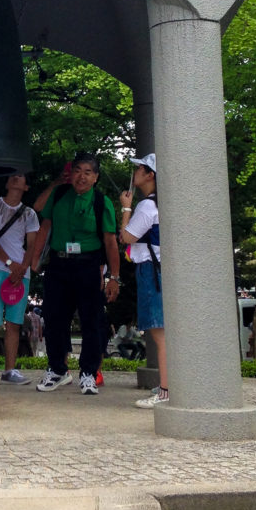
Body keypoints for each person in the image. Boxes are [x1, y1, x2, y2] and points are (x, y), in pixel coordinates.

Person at [30, 153, 120, 396]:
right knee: (55, 318)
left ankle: (89, 373)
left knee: (91, 321)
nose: (82, 176)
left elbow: (111, 242)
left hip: (89, 266)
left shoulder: (102, 202)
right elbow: (44, 227)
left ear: (96, 177)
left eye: (88, 172)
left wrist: (114, 276)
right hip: (59, 264)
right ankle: (58, 370)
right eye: (78, 170)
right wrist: (34, 259)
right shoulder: (59, 195)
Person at [0, 173, 39, 384]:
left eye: (20, 176)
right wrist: (9, 263)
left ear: (26, 187)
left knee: (14, 323)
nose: (15, 178)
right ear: (6, 182)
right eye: (12, 176)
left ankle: (10, 370)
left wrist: (23, 267)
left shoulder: (30, 214)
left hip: (21, 272)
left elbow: (32, 244)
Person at [119, 154, 166, 407]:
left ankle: (166, 391)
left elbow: (126, 238)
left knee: (159, 333)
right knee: (164, 332)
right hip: (159, 268)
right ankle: (169, 385)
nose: (136, 171)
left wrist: (126, 208)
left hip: (150, 269)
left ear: (150, 175)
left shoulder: (146, 206)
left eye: (140, 168)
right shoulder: (162, 204)